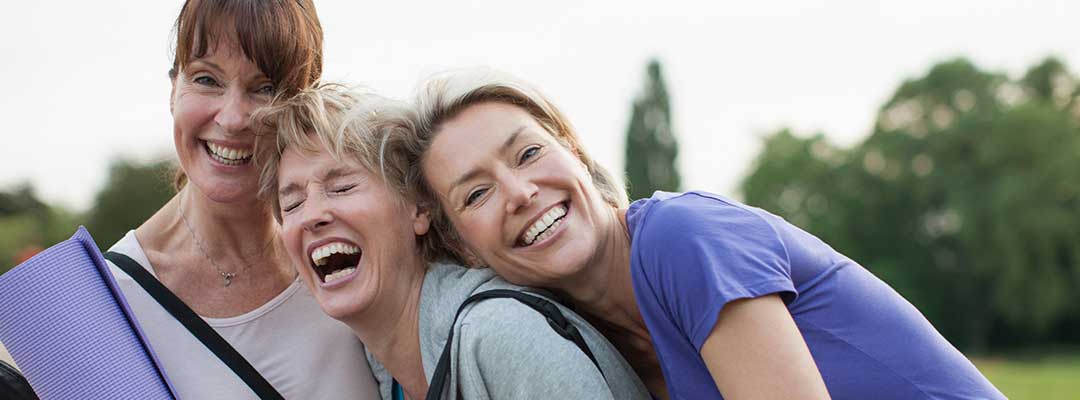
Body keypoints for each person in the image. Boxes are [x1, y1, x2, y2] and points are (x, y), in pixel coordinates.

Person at [398, 67, 1006, 400]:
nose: (520, 192)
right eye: (476, 193)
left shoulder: (682, 238)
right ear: (460, 245)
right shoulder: (581, 341)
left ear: (577, 155)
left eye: (528, 153)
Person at [253, 83, 651, 400]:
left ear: (419, 210)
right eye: (292, 203)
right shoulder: (378, 370)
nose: (312, 214)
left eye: (341, 187)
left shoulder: (501, 337)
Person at [102, 1, 378, 398]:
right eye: (206, 80)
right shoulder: (109, 302)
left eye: (264, 88)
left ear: (304, 105)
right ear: (173, 88)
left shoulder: (351, 256)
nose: (232, 118)